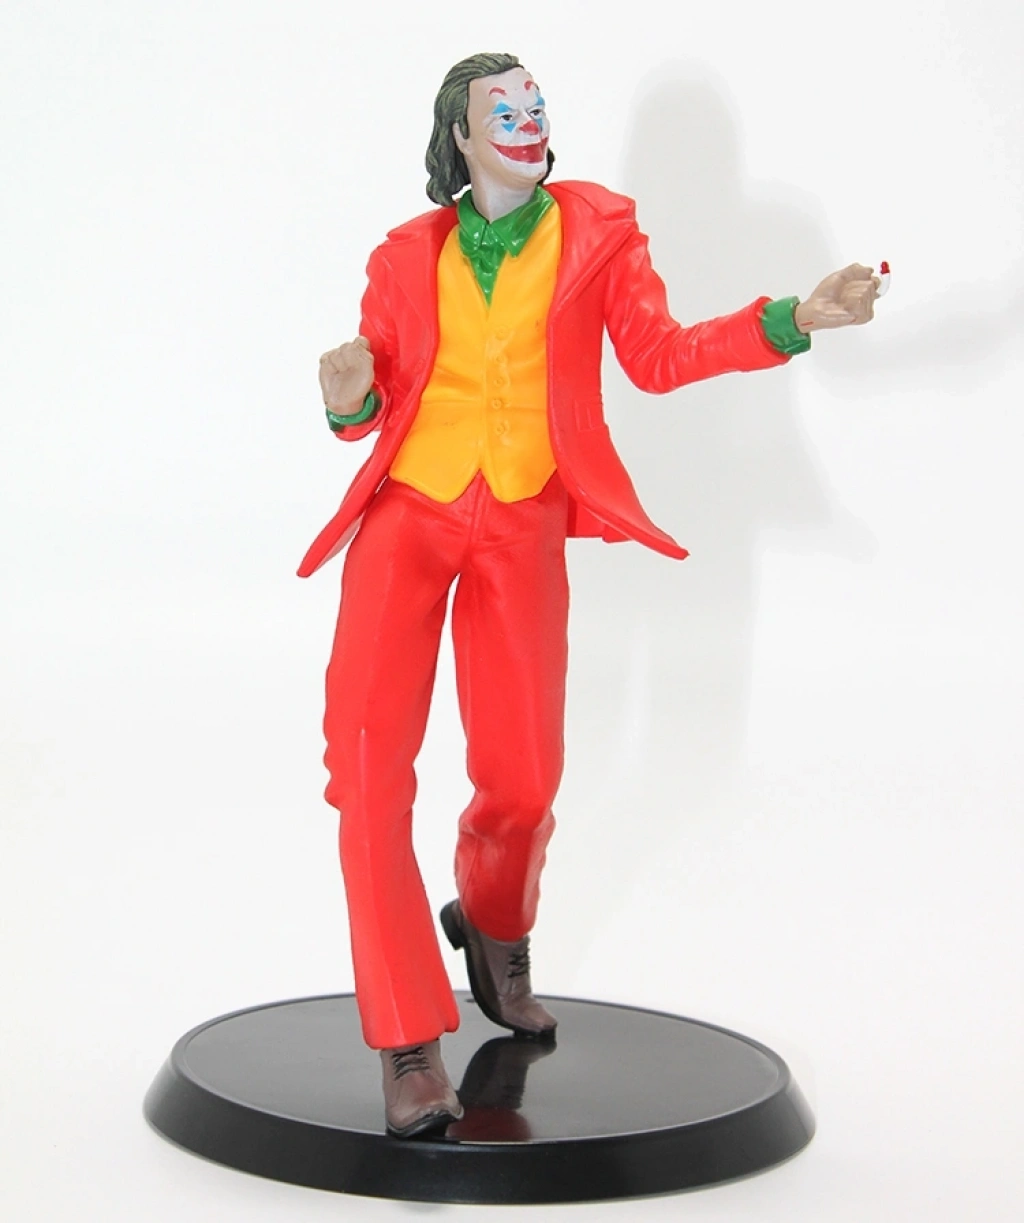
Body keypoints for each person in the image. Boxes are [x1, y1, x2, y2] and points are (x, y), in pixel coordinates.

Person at [300, 51, 879, 1138]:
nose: (526, 119)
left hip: (521, 522)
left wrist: (791, 317)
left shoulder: (598, 231)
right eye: (501, 109)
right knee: (367, 774)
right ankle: (407, 1037)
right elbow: (372, 395)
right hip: (407, 521)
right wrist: (348, 402)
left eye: (535, 104)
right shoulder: (402, 255)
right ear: (460, 137)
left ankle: (493, 922)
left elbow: (656, 356)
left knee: (523, 777)